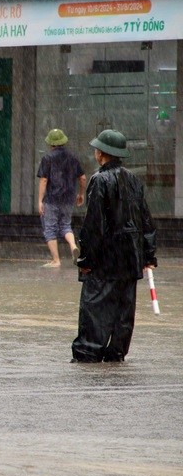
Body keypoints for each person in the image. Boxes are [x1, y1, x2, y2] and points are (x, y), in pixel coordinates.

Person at [71, 129, 157, 363]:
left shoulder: (99, 179)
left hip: (106, 259)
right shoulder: (133, 179)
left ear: (101, 153)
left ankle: (89, 353)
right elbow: (146, 220)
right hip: (130, 259)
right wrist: (149, 255)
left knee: (96, 307)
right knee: (123, 310)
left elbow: (94, 225)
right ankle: (116, 354)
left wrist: (86, 260)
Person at [36, 128, 86, 268]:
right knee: (65, 225)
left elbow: (44, 180)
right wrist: (81, 194)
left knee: (50, 229)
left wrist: (40, 201)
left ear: (50, 143)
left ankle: (56, 260)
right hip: (68, 198)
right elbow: (82, 178)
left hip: (52, 199)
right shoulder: (73, 157)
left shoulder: (47, 158)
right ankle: (73, 246)